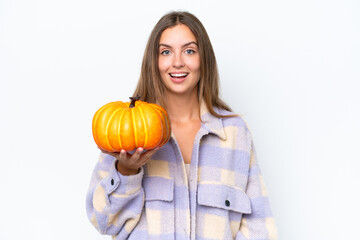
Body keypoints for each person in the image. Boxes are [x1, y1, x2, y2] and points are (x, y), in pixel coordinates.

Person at [86, 11, 277, 240]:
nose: (177, 62)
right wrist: (127, 171)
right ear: (154, 61)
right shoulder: (126, 132)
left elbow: (259, 228)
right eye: (166, 52)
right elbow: (104, 222)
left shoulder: (234, 133)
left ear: (203, 58)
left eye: (189, 50)